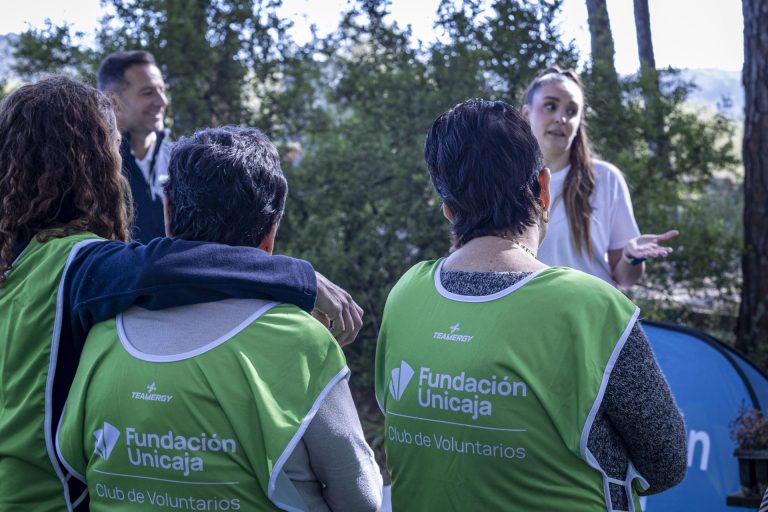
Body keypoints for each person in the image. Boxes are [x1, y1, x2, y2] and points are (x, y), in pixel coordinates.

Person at [0, 76, 361, 511]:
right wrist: (302, 279)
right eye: (113, 149)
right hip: (44, 498)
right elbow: (171, 264)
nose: (120, 165)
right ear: (87, 164)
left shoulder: (17, 258)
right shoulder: (77, 263)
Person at [375, 99, 687, 511]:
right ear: (543, 188)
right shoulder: (591, 308)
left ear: (449, 210)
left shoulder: (406, 295)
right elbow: (666, 463)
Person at [521, 67, 678, 289]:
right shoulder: (504, 180)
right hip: (531, 315)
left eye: (572, 110)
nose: (561, 118)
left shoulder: (604, 179)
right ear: (526, 113)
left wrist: (631, 257)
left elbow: (625, 278)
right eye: (550, 106)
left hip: (593, 314)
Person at [97, 50, 171, 243]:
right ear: (113, 101)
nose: (162, 102)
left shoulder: (180, 161)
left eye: (162, 90)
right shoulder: (92, 168)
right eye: (148, 93)